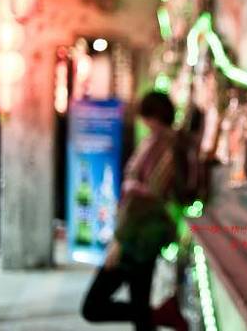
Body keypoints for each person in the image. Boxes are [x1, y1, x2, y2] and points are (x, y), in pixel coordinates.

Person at [82, 91, 186, 331]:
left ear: (153, 116)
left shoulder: (162, 146)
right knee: (140, 312)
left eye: (145, 116)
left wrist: (119, 240)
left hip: (137, 237)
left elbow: (146, 197)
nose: (143, 122)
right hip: (145, 235)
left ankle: (163, 314)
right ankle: (161, 315)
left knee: (93, 307)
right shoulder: (163, 143)